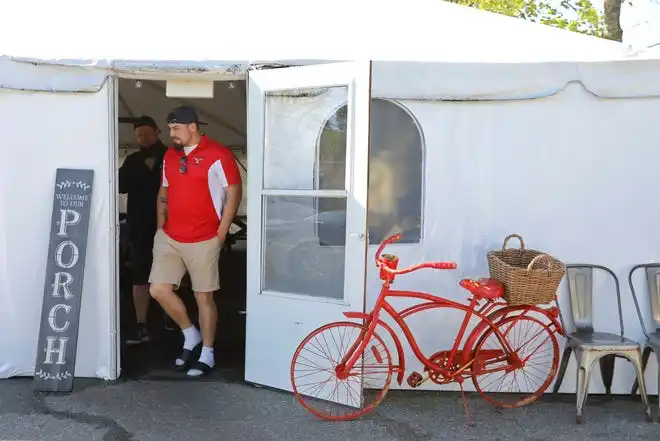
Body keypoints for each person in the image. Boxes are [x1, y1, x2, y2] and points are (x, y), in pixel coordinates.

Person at [149, 105, 242, 377]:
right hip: (170, 236)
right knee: (158, 289)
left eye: (176, 128)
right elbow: (163, 192)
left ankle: (208, 353)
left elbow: (233, 193)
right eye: (169, 129)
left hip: (204, 237)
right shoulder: (169, 155)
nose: (171, 133)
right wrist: (159, 228)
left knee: (204, 297)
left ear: (193, 127)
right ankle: (191, 335)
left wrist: (222, 231)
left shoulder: (218, 154)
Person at [119, 116, 167, 344]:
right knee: (139, 276)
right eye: (139, 134)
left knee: (170, 274)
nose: (142, 137)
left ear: (157, 132)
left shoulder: (172, 157)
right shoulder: (131, 161)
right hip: (139, 227)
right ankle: (141, 324)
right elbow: (120, 186)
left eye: (146, 133)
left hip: (169, 226)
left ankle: (171, 318)